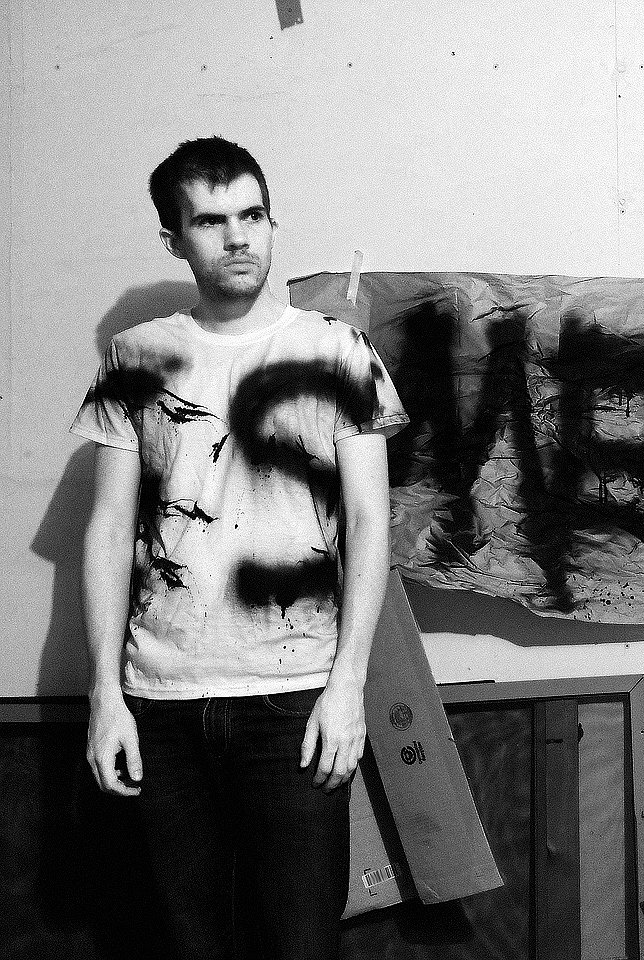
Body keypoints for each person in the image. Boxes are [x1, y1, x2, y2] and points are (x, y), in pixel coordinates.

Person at [72, 136, 408, 959]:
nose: (238, 238)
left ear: (271, 222)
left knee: (301, 943)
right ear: (173, 240)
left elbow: (370, 523)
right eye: (211, 221)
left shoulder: (337, 351)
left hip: (293, 696)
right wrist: (105, 696)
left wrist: (349, 685)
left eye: (253, 216)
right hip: (161, 700)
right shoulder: (136, 355)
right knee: (187, 944)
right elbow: (108, 529)